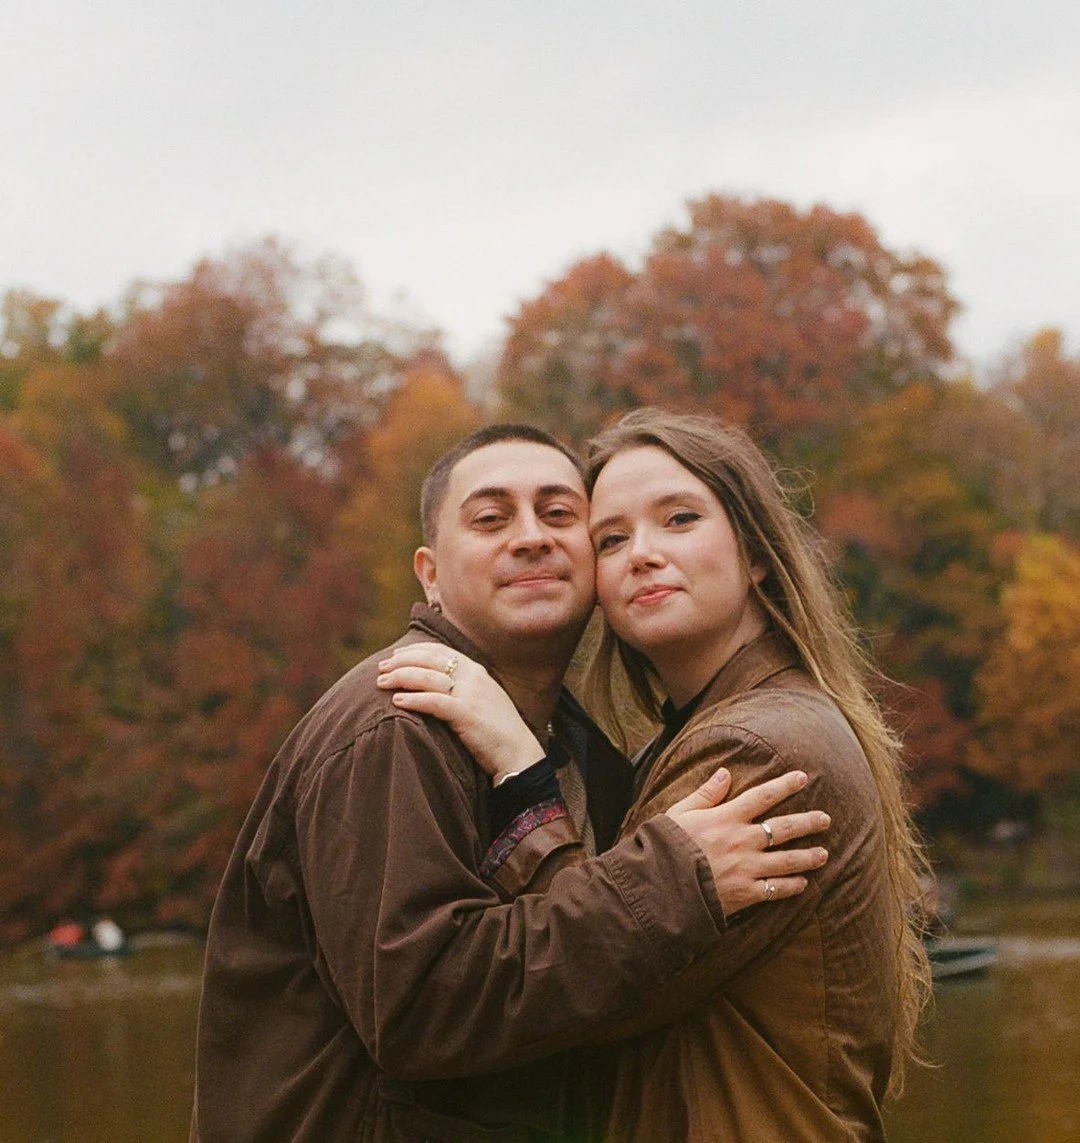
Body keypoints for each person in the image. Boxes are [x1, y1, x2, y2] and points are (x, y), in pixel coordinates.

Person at [191, 423, 831, 1143]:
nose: (531, 537)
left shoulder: (580, 743)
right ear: (430, 574)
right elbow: (418, 1010)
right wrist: (669, 883)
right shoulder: (397, 722)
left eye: (561, 515)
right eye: (491, 519)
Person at [379, 409, 931, 1141]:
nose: (642, 553)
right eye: (612, 538)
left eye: (678, 518)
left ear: (757, 552)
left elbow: (591, 993)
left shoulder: (759, 750)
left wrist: (521, 767)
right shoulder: (716, 727)